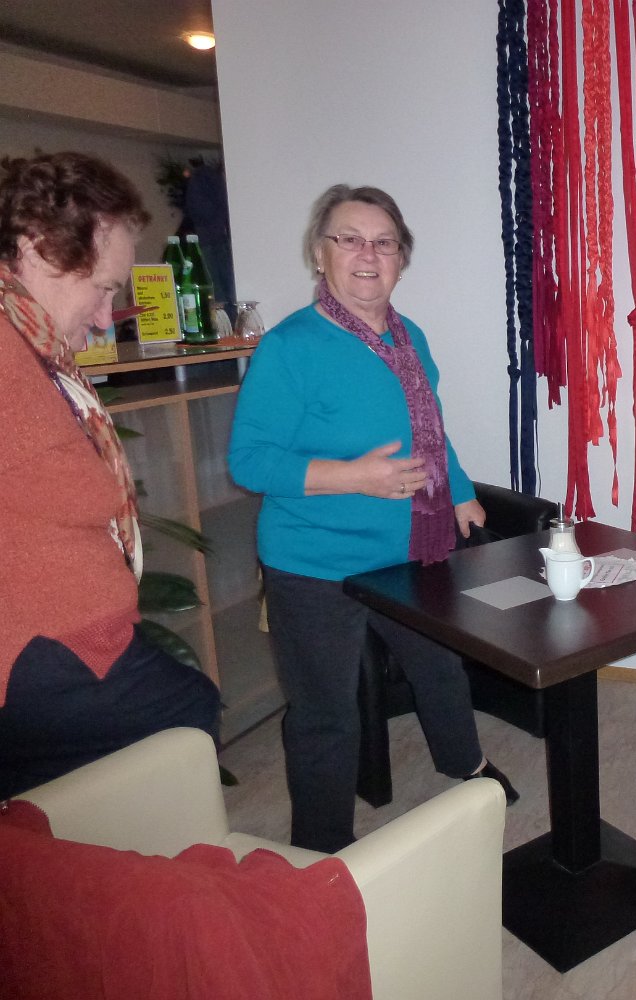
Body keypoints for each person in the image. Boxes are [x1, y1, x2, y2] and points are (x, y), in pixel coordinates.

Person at [229, 184, 517, 854]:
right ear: (319, 252)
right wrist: (356, 477)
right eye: (349, 239)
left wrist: (460, 493)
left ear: (400, 260)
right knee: (324, 713)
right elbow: (249, 461)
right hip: (314, 564)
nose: (368, 254)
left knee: (440, 667)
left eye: (384, 242)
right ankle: (321, 848)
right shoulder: (289, 346)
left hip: (409, 550)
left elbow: (428, 430)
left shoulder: (409, 336)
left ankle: (465, 764)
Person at [0, 152, 221, 799]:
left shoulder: (32, 346)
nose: (105, 317)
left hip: (69, 641)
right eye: (103, 288)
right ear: (38, 247)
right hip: (39, 652)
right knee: (183, 719)